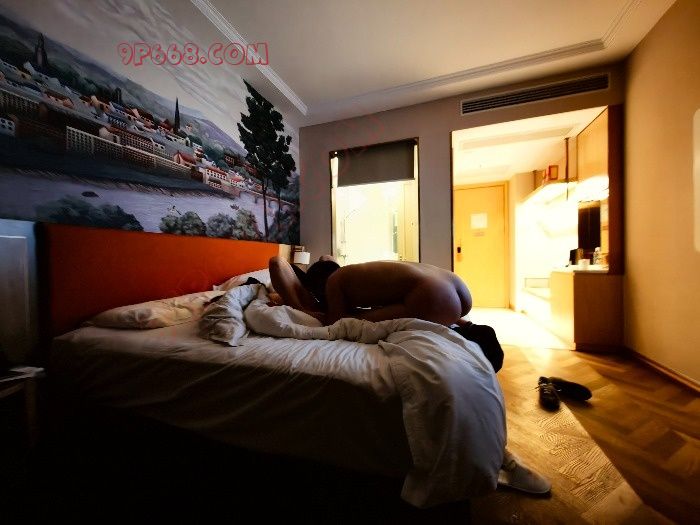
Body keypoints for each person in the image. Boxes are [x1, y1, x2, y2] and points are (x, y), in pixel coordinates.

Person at [268, 256, 504, 371]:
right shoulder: (351, 273)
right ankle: (470, 331)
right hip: (456, 287)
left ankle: (468, 338)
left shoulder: (334, 283)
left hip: (433, 296)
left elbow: (338, 324)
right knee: (425, 318)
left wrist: (299, 308)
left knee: (362, 324)